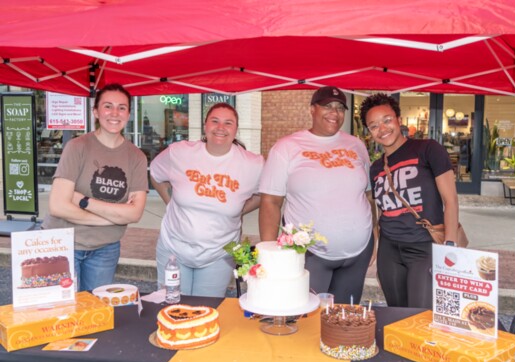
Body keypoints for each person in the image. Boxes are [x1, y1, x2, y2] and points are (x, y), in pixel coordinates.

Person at [259, 86, 375, 304]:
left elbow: (368, 196)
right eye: (327, 106)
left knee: (344, 321)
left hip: (358, 254)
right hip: (309, 255)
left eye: (340, 107)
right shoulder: (287, 147)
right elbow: (270, 202)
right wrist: (269, 255)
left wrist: (375, 234)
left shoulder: (356, 145)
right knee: (304, 318)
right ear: (312, 109)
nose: (335, 112)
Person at [150, 102, 264, 297]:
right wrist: (171, 201)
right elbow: (155, 174)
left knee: (206, 311)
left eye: (228, 123)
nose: (220, 127)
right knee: (172, 308)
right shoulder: (180, 152)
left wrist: (239, 209)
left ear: (236, 129)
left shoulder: (253, 164)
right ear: (205, 126)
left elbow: (265, 195)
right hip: (173, 249)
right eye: (215, 121)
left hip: (218, 255)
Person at [42, 83, 148, 291]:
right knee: (61, 315)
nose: (114, 113)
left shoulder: (136, 157)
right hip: (61, 244)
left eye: (122, 107)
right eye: (108, 106)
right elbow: (58, 207)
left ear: (129, 114)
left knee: (95, 315)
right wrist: (111, 218)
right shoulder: (77, 147)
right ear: (96, 111)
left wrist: (84, 201)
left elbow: (134, 213)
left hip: (105, 249)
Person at [360, 93, 459, 308]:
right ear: (369, 132)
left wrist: (450, 248)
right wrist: (376, 248)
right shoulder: (376, 168)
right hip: (390, 251)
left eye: (387, 120)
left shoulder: (428, 149)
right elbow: (379, 211)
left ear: (399, 119)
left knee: (420, 315)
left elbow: (450, 201)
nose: (382, 129)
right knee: (397, 314)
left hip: (424, 247)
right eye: (374, 125)